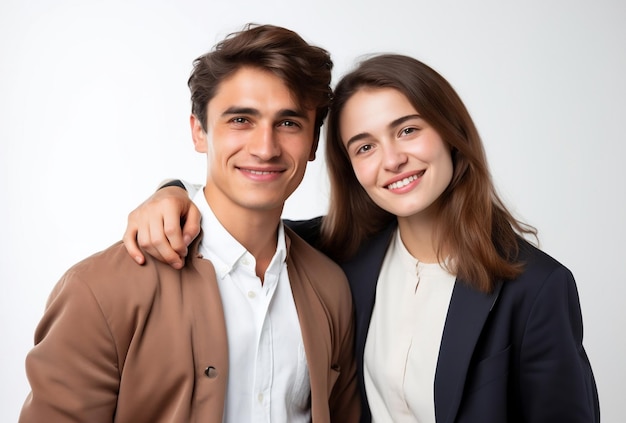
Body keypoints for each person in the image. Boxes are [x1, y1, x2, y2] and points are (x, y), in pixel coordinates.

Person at [123, 54, 600, 422]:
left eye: (408, 130)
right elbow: (239, 229)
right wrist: (173, 195)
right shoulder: (337, 255)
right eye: (365, 146)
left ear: (451, 133)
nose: (391, 160)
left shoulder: (536, 288)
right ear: (350, 167)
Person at [19, 24, 360, 423]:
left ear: (313, 143)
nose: (265, 148)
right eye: (240, 120)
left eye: (288, 123)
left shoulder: (331, 288)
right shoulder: (100, 291)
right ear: (199, 131)